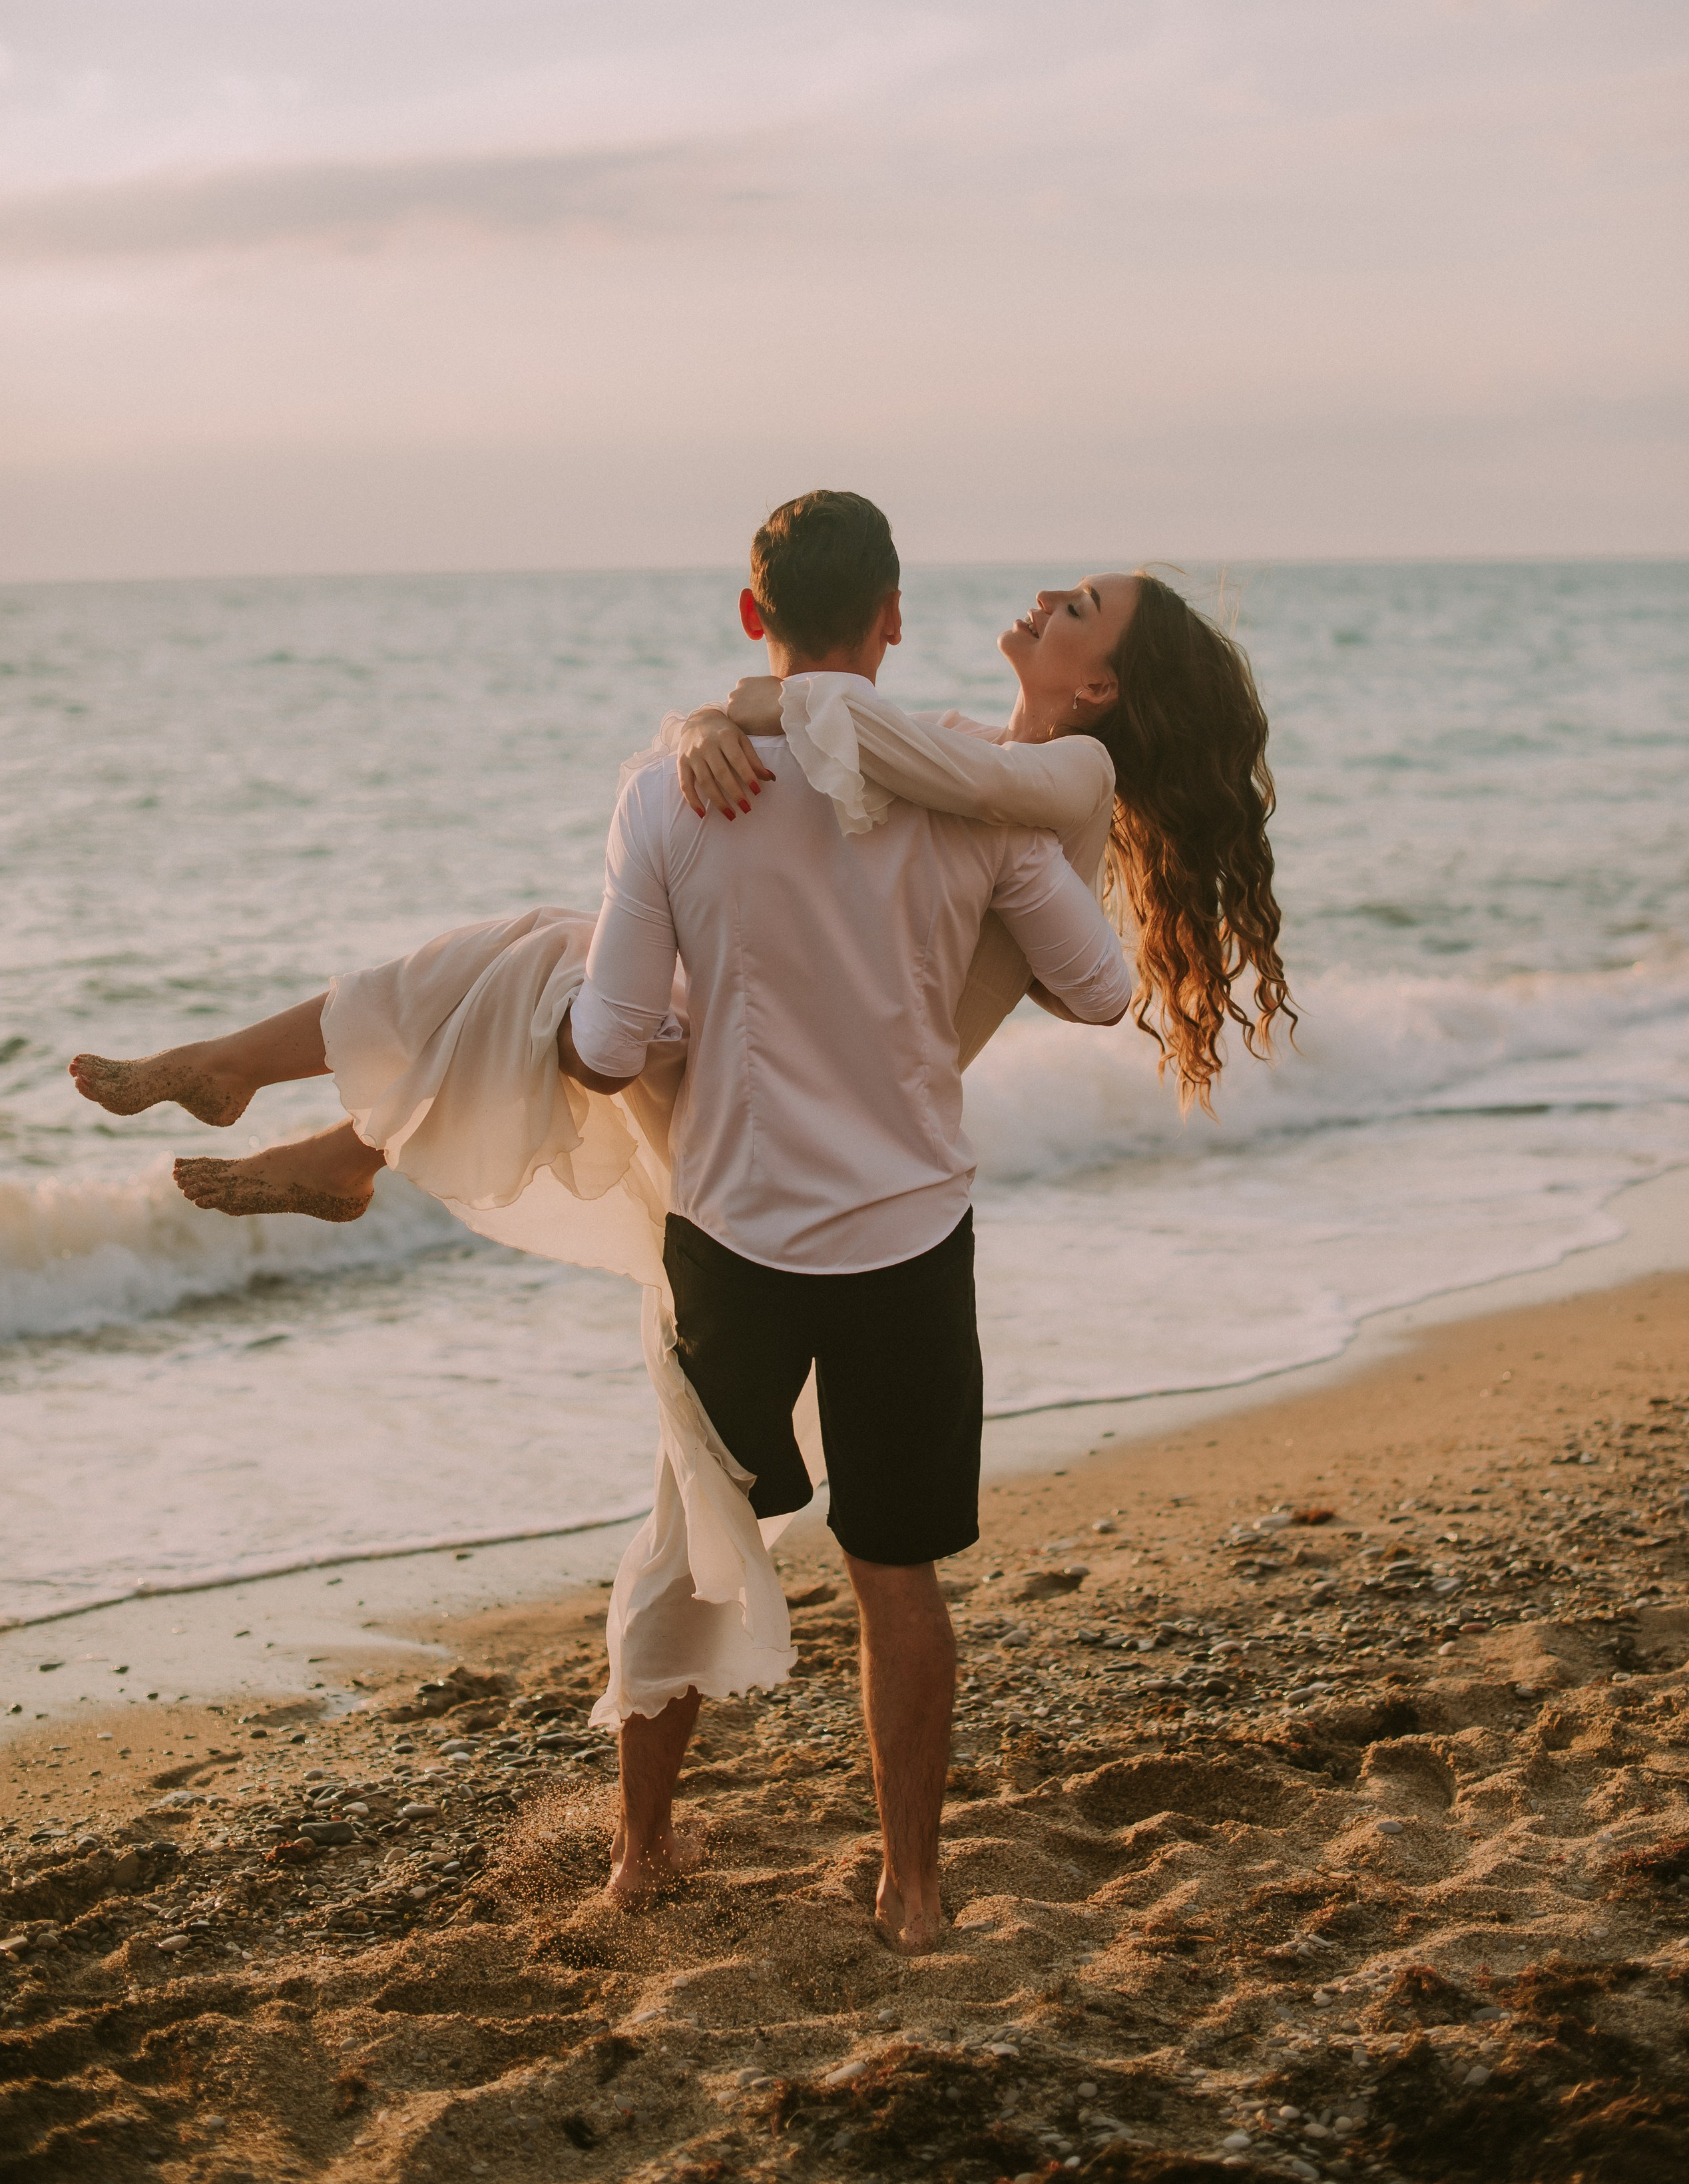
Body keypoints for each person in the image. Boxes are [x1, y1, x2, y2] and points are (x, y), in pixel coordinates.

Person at [71, 497, 1296, 1946]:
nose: (1047, 597)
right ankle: (909, 1889)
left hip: (739, 1221)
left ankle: (637, 1852)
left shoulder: (846, 787)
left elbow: (605, 1043)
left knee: (680, 1506)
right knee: (890, 1571)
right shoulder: (980, 788)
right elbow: (1092, 990)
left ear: (749, 612)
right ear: (892, 618)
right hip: (902, 1223)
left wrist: (704, 747)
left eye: (1077, 608)